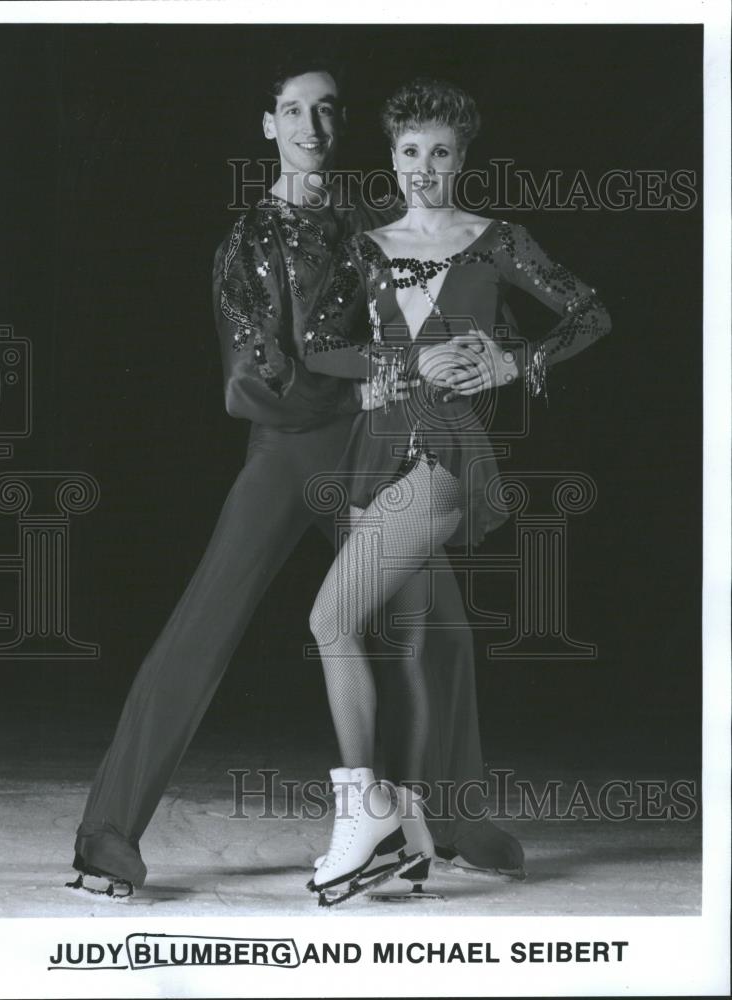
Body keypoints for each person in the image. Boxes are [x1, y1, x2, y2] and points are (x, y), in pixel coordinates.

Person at [68, 58, 524, 900]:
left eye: (327, 112)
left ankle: (454, 818)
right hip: (287, 450)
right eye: (294, 112)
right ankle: (106, 835)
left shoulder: (368, 222)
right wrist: (358, 383)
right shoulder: (248, 239)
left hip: (373, 448)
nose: (314, 128)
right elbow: (249, 378)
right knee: (204, 624)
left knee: (440, 624)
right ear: (268, 126)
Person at [302, 77, 612, 900]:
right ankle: (411, 831)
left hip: (444, 452)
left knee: (330, 618)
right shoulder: (365, 242)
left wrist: (516, 360)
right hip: (371, 454)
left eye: (441, 153)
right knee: (407, 644)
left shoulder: (497, 238)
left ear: (464, 158)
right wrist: (393, 365)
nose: (424, 169)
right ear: (393, 157)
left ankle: (360, 807)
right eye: (410, 153)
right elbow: (320, 347)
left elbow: (588, 312)